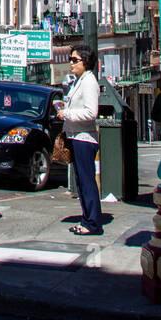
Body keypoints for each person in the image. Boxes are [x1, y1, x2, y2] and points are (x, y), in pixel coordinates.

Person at [57, 45, 102, 236]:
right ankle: (86, 219)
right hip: (75, 136)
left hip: (85, 138)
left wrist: (67, 112)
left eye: (75, 60)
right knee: (81, 181)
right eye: (71, 59)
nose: (71, 63)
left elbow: (92, 112)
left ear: (85, 61)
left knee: (87, 180)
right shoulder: (78, 81)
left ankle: (92, 222)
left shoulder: (89, 81)